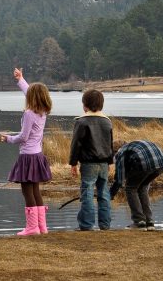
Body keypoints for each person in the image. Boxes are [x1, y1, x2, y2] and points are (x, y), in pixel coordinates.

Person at [0, 67, 53, 235]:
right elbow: (31, 92)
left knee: (27, 191)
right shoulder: (42, 111)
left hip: (28, 157)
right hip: (37, 155)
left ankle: (31, 228)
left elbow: (23, 137)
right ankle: (41, 226)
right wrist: (21, 79)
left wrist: (8, 138)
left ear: (32, 98)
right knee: (35, 190)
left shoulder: (30, 113)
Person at [68, 89, 113, 231]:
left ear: (85, 105)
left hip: (88, 164)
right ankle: (105, 225)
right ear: (101, 104)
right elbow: (109, 143)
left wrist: (73, 163)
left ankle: (87, 225)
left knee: (87, 193)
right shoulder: (107, 121)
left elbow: (76, 144)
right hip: (104, 163)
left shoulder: (81, 121)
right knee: (104, 193)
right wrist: (110, 162)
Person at [109, 140, 163, 230]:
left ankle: (139, 222)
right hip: (161, 164)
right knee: (142, 188)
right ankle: (149, 222)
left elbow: (119, 180)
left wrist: (111, 194)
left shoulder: (121, 152)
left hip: (145, 164)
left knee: (130, 188)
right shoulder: (133, 147)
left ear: (114, 151)